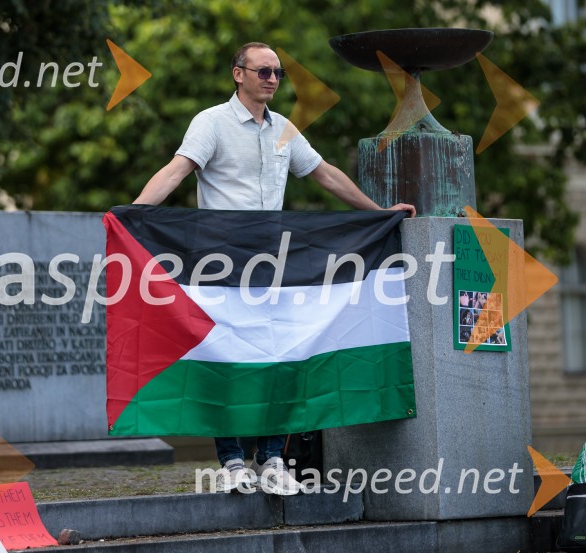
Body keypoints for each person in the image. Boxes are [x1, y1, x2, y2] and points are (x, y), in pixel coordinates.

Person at [133, 42, 416, 495]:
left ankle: (270, 460)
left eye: (278, 72)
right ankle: (231, 462)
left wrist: (379, 212)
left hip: (274, 262)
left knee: (279, 355)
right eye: (263, 71)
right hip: (221, 264)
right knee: (225, 359)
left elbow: (325, 174)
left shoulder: (285, 128)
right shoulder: (211, 122)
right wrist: (133, 215)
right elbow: (176, 171)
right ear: (237, 74)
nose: (272, 79)